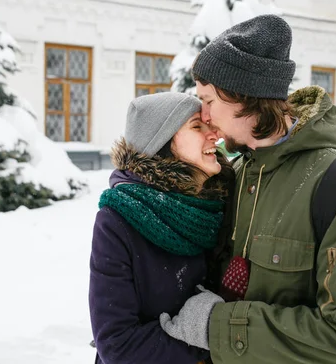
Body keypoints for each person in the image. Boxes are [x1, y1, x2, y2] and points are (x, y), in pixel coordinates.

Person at [159, 15, 336, 363]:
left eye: (209, 101)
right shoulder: (234, 173)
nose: (204, 116)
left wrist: (217, 326)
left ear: (244, 96)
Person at [89, 92, 234, 364]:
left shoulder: (219, 204)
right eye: (196, 126)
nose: (215, 135)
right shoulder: (118, 221)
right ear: (162, 142)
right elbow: (117, 345)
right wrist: (209, 336)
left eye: (210, 125)